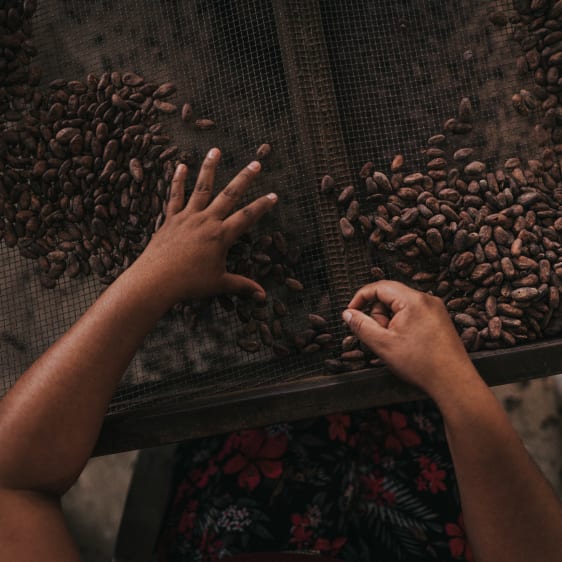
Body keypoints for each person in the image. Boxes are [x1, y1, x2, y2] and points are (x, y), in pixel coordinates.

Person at [0, 148, 560, 562]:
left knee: (270, 353)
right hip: (420, 480)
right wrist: (454, 384)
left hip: (242, 484)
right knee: (381, 363)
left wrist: (150, 278)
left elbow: (12, 481)